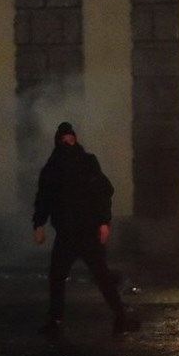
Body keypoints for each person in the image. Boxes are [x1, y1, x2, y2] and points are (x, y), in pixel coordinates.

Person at [32, 121, 140, 339]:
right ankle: (56, 320)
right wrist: (39, 223)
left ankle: (120, 316)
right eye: (65, 141)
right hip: (67, 234)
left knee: (102, 276)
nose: (68, 144)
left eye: (71, 140)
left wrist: (103, 222)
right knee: (58, 277)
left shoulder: (87, 163)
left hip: (87, 231)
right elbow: (44, 198)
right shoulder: (53, 168)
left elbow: (103, 193)